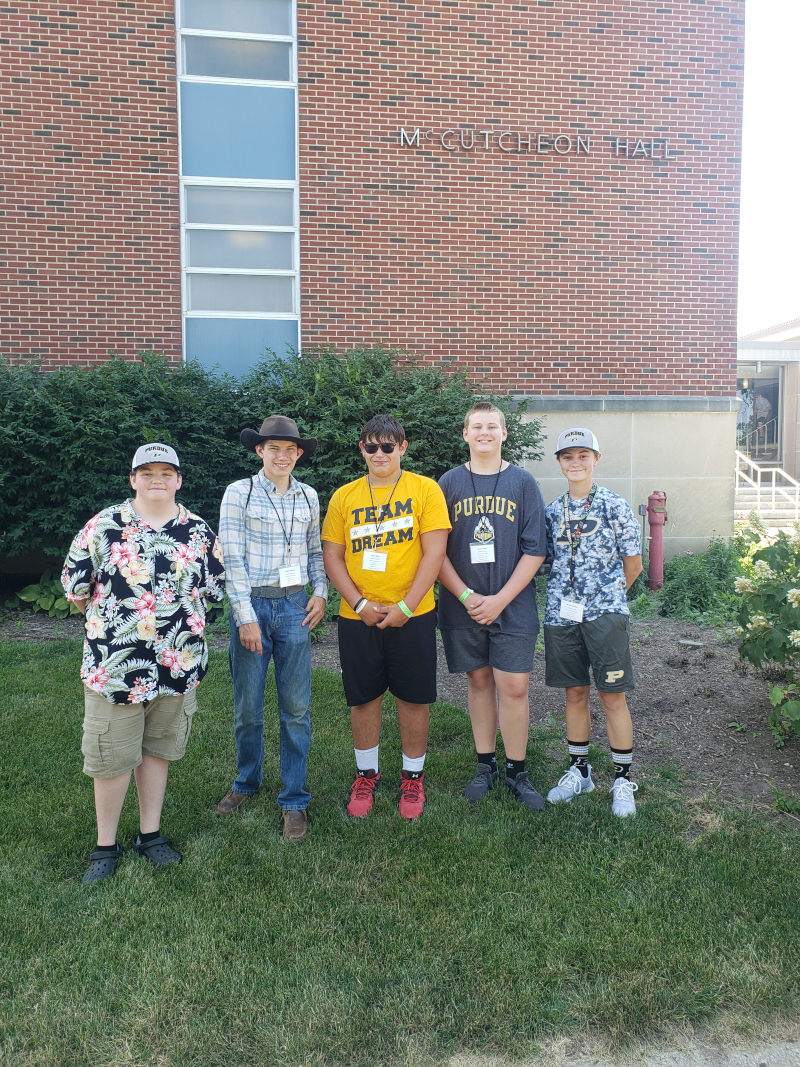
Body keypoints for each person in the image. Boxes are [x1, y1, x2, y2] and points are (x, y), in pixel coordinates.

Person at [62, 443, 225, 883]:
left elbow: (212, 593)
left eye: (166, 472)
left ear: (179, 479)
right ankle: (105, 845)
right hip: (116, 669)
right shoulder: (102, 526)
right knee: (112, 756)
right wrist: (114, 625)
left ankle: (150, 835)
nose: (157, 479)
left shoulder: (198, 531)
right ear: (133, 479)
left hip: (177, 666)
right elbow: (76, 588)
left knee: (157, 751)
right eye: (147, 472)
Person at [322, 415, 451, 819]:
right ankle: (367, 774)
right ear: (361, 449)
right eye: (371, 446)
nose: (380, 454)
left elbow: (435, 552)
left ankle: (412, 779)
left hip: (413, 613)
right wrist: (359, 604)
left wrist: (407, 607)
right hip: (356, 615)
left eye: (388, 446)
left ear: (403, 448)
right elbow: (332, 554)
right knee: (364, 697)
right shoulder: (345, 496)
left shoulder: (424, 490)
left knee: (413, 697)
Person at [215, 416, 327, 842]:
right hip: (254, 606)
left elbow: (315, 550)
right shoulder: (238, 494)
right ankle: (246, 782)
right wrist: (244, 617)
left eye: (290, 450)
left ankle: (294, 798)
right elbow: (233, 559)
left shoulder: (309, 496)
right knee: (248, 706)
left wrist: (320, 592)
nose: (283, 456)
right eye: (273, 448)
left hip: (294, 606)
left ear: (299, 454)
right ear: (259, 451)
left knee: (296, 709)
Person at [437, 402, 547, 809]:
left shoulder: (523, 483)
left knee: (514, 687)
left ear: (504, 434)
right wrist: (467, 596)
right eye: (476, 426)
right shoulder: (448, 483)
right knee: (479, 681)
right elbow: (434, 551)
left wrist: (500, 600)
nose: (484, 432)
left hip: (512, 604)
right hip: (461, 604)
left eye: (492, 426)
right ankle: (486, 765)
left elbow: (535, 550)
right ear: (465, 434)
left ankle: (518, 770)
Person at [542, 428, 643, 817]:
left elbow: (632, 564)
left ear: (596, 459)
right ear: (560, 463)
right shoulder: (554, 511)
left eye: (584, 455)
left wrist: (607, 596)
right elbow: (546, 561)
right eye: (568, 456)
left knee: (612, 696)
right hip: (560, 615)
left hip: (605, 615)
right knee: (574, 694)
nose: (576, 462)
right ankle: (580, 771)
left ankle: (621, 778)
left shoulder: (615, 506)